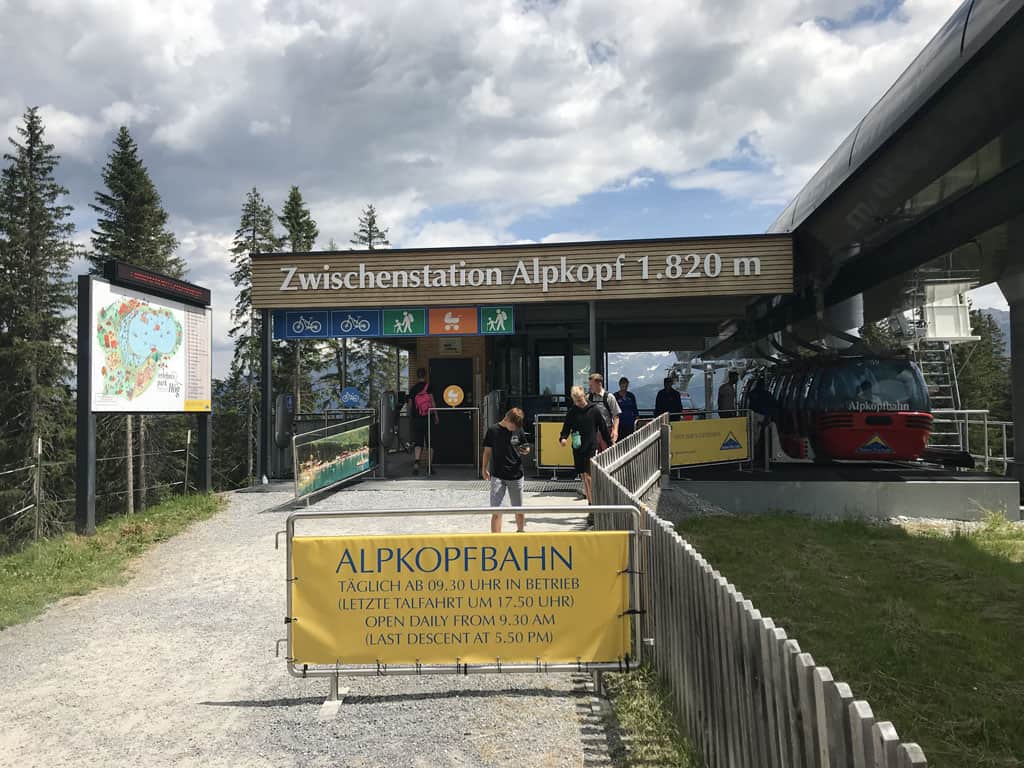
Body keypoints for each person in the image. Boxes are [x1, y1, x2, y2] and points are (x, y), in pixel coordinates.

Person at [560, 386, 612, 504]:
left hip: (591, 446)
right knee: (583, 475)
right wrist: (563, 438)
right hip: (578, 447)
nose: (578, 403)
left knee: (589, 476)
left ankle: (592, 504)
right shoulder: (572, 412)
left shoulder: (594, 410)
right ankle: (590, 501)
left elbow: (603, 428)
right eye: (576, 401)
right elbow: (565, 428)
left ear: (584, 396)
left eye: (580, 399)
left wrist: (609, 443)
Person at [482, 408, 531, 533]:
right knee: (496, 510)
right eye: (513, 426)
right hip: (498, 474)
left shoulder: (518, 429)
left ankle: (520, 532)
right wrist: (484, 468)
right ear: (507, 420)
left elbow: (525, 446)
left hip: (516, 474)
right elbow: (487, 452)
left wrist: (526, 450)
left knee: (518, 508)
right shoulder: (493, 430)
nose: (514, 429)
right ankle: (496, 538)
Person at [407, 368, 438, 475]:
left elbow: (410, 405)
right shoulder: (429, 387)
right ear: (425, 376)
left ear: (417, 376)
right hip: (428, 417)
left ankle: (416, 463)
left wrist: (411, 417)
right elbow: (432, 402)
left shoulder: (413, 388)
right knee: (430, 443)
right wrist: (436, 416)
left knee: (418, 443)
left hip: (417, 419)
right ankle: (429, 466)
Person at [587, 372, 620, 449]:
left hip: (606, 431)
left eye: (591, 385)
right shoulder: (588, 397)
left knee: (606, 456)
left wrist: (615, 431)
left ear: (599, 383)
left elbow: (616, 415)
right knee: (594, 457)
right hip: (593, 432)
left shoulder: (609, 397)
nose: (590, 387)